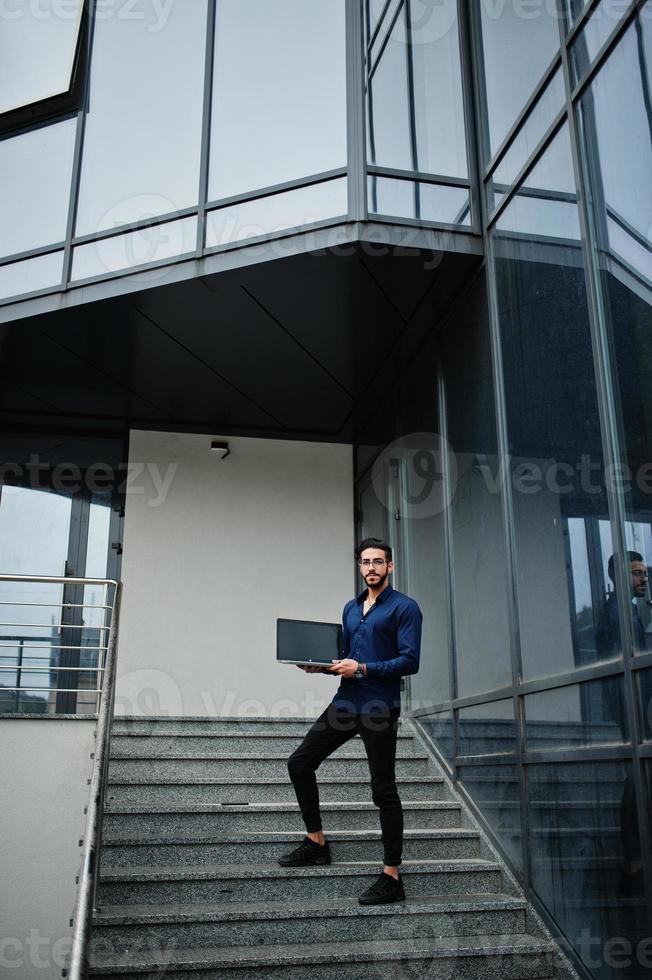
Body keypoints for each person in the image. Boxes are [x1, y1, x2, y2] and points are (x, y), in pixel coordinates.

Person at [278, 537, 422, 906]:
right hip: (346, 702)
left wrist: (363, 669)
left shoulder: (405, 608)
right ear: (359, 567)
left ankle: (392, 876)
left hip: (379, 707)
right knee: (300, 763)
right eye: (365, 562)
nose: (371, 567)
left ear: (390, 567)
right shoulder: (351, 608)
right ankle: (316, 842)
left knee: (383, 790)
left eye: (378, 562)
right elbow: (347, 659)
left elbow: (410, 661)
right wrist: (322, 666)